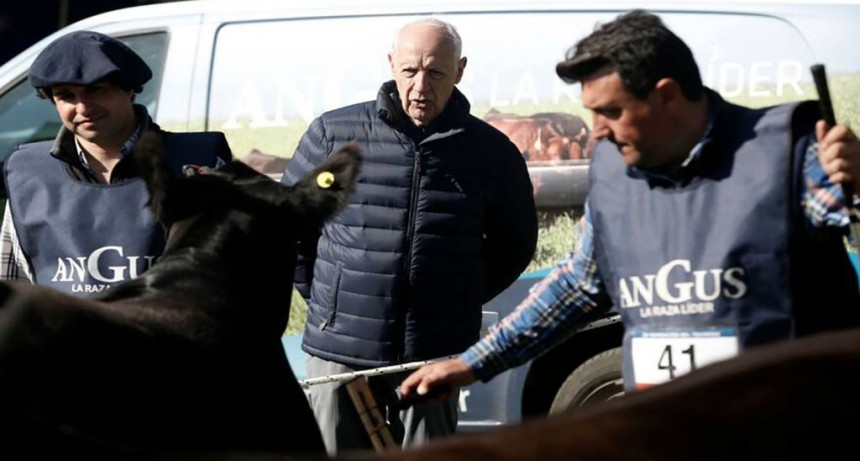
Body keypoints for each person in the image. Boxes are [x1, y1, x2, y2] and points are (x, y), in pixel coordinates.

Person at [401, 9, 860, 402]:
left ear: (666, 95)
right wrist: (471, 365)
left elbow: (850, 221)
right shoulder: (613, 171)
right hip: (665, 430)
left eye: (611, 112)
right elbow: (579, 287)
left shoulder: (790, 153)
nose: (595, 131)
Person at [280, 17, 537, 454]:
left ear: (460, 71)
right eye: (410, 70)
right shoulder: (332, 135)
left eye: (436, 72)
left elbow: (515, 245)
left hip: (434, 351)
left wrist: (460, 295)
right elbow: (289, 228)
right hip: (340, 347)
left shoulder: (492, 152)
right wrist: (329, 299)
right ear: (390, 65)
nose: (420, 86)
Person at [0, 30, 232, 293]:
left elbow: (241, 270)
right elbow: (14, 290)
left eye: (96, 90)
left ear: (129, 90)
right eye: (66, 95)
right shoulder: (29, 174)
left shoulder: (198, 162)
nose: (83, 107)